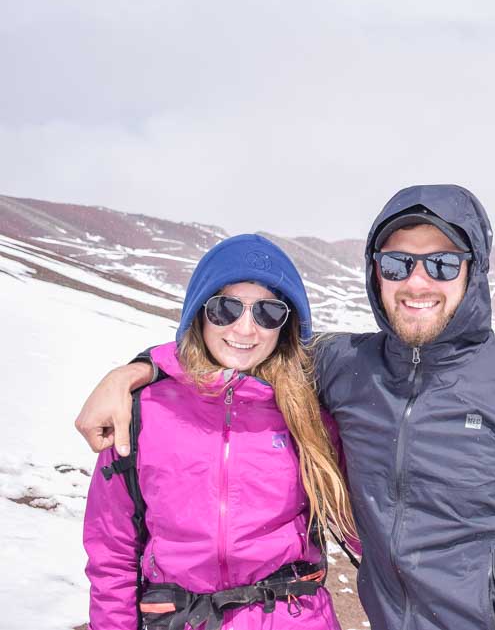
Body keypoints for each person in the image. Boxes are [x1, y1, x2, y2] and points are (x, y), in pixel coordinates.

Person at [77, 185, 495, 630]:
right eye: (397, 264)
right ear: (375, 272)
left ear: (474, 271)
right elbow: (243, 357)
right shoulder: (347, 368)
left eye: (442, 264)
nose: (417, 282)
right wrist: (136, 371)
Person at [83, 234, 355, 630]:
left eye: (268, 313)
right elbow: (112, 550)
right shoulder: (141, 412)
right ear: (199, 313)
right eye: (225, 308)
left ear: (287, 325)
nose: (245, 329)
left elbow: (374, 525)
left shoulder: (311, 414)